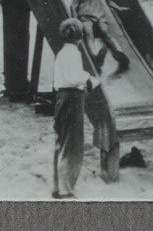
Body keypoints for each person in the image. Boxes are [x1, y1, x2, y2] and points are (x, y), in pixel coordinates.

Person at [52, 18, 100, 199]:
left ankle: (58, 186)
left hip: (61, 98)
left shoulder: (62, 53)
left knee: (62, 142)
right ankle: (67, 189)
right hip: (72, 99)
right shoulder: (74, 54)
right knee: (73, 145)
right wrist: (88, 77)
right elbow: (73, 78)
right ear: (79, 36)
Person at [70, 0, 130, 74]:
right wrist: (75, 20)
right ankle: (95, 57)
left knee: (106, 32)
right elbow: (73, 4)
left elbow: (108, 0)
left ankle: (119, 54)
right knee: (88, 34)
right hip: (85, 15)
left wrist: (118, 7)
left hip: (99, 14)